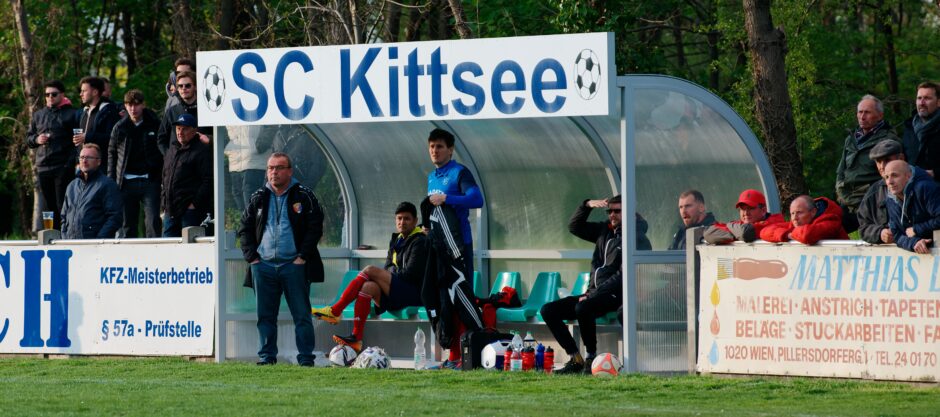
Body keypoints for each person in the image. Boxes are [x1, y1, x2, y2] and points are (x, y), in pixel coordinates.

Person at [238, 152, 324, 366]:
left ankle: (305, 358)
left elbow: (315, 228)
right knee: (265, 317)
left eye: (279, 167)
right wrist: (252, 258)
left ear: (290, 171)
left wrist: (302, 257)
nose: (273, 172)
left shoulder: (304, 195)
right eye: (270, 168)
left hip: (293, 265)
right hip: (263, 265)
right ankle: (267, 357)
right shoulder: (258, 196)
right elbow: (244, 228)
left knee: (302, 316)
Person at [312, 202, 428, 353]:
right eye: (399, 218)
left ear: (415, 220)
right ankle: (356, 338)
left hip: (413, 293)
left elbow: (411, 275)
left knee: (370, 270)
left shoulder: (420, 241)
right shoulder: (396, 240)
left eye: (407, 219)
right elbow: (387, 267)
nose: (402, 222)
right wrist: (384, 277)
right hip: (396, 293)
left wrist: (385, 276)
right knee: (368, 287)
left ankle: (335, 310)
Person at [541, 195, 626, 374]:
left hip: (614, 295)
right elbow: (574, 226)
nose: (612, 215)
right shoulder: (604, 231)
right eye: (609, 211)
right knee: (548, 310)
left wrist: (594, 294)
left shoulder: (635, 237)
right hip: (593, 293)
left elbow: (622, 276)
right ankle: (575, 358)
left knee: (583, 307)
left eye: (617, 211)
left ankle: (591, 358)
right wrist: (586, 205)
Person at [426, 128, 483, 369]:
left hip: (460, 248)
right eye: (431, 147)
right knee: (444, 302)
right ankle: (453, 357)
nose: (434, 151)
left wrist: (448, 199)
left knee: (462, 298)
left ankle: (473, 353)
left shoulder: (460, 172)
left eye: (439, 147)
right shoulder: (432, 176)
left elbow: (476, 199)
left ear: (450, 149)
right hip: (440, 249)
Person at [836, 95, 901, 233]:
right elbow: (841, 171)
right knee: (827, 229)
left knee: (876, 235)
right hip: (846, 200)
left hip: (872, 202)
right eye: (860, 112)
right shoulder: (851, 139)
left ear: (880, 115)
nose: (862, 116)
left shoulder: (888, 140)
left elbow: (889, 176)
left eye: (867, 112)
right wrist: (841, 192)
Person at [108, 89, 163, 238]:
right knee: (127, 225)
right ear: (125, 106)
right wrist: (112, 182)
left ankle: (155, 255)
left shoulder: (155, 124)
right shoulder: (119, 127)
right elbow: (112, 155)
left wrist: (160, 175)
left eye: (137, 104)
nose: (133, 108)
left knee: (152, 222)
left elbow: (162, 151)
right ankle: (127, 258)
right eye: (129, 105)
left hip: (149, 180)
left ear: (143, 105)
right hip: (125, 182)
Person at [26, 80, 78, 230]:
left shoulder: (72, 114)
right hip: (43, 166)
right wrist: (36, 139)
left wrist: (70, 164)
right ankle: (51, 234)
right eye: (47, 95)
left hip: (63, 167)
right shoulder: (38, 115)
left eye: (54, 94)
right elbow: (28, 138)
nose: (50, 97)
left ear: (62, 95)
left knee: (63, 203)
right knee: (48, 206)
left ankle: (66, 234)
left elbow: (78, 142)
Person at [160, 114, 212, 237]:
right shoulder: (172, 149)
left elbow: (208, 180)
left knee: (190, 250)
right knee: (168, 249)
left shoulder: (201, 151)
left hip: (190, 211)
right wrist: (164, 202)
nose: (180, 132)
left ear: (194, 130)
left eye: (184, 129)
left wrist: (194, 204)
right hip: (170, 210)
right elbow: (165, 176)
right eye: (178, 128)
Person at [60, 144, 122, 239]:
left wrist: (99, 240)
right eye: (82, 157)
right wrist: (65, 237)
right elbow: (64, 217)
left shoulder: (107, 185)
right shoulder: (72, 186)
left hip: (96, 247)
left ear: (98, 162)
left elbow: (114, 217)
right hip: (71, 245)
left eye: (89, 157)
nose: (84, 161)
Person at [884, 160, 940, 254]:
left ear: (908, 176)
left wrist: (917, 229)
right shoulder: (890, 200)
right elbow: (896, 235)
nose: (890, 181)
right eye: (886, 177)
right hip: (923, 254)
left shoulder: (925, 188)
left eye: (895, 175)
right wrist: (915, 242)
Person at [857, 140, 906, 244]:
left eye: (887, 160)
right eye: (878, 162)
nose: (882, 166)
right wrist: (880, 233)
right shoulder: (874, 192)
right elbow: (863, 228)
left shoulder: (921, 184)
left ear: (901, 158)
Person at [703, 189, 785, 244]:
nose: (745, 213)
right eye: (742, 209)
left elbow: (746, 233)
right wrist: (736, 233)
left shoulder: (773, 221)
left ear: (763, 210)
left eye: (750, 208)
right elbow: (708, 234)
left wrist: (729, 226)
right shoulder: (739, 225)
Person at [158, 70, 209, 155]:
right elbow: (161, 138)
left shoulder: (206, 110)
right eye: (180, 86)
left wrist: (209, 139)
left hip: (201, 162)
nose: (184, 88)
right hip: (178, 164)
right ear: (177, 88)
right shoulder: (172, 111)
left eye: (188, 85)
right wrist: (170, 157)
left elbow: (220, 136)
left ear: (195, 87)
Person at [760, 195, 849, 244]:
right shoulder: (796, 223)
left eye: (799, 212)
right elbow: (764, 231)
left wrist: (791, 235)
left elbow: (807, 235)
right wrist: (787, 235)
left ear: (813, 212)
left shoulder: (831, 221)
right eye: (792, 213)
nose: (794, 218)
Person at [76, 76, 121, 170]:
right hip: (83, 167)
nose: (81, 94)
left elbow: (113, 138)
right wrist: (78, 161)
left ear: (95, 92)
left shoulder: (109, 111)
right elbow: (79, 142)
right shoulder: (84, 112)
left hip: (103, 167)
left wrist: (87, 136)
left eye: (84, 91)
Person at [224, 125, 269, 212]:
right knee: (243, 211)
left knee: (253, 208)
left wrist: (262, 144)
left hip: (255, 163)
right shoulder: (228, 113)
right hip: (235, 164)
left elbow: (271, 125)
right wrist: (227, 147)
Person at [902, 82, 940, 180]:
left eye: (927, 98)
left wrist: (935, 173)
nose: (921, 103)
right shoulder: (909, 127)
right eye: (919, 98)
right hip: (911, 187)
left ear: (938, 102)